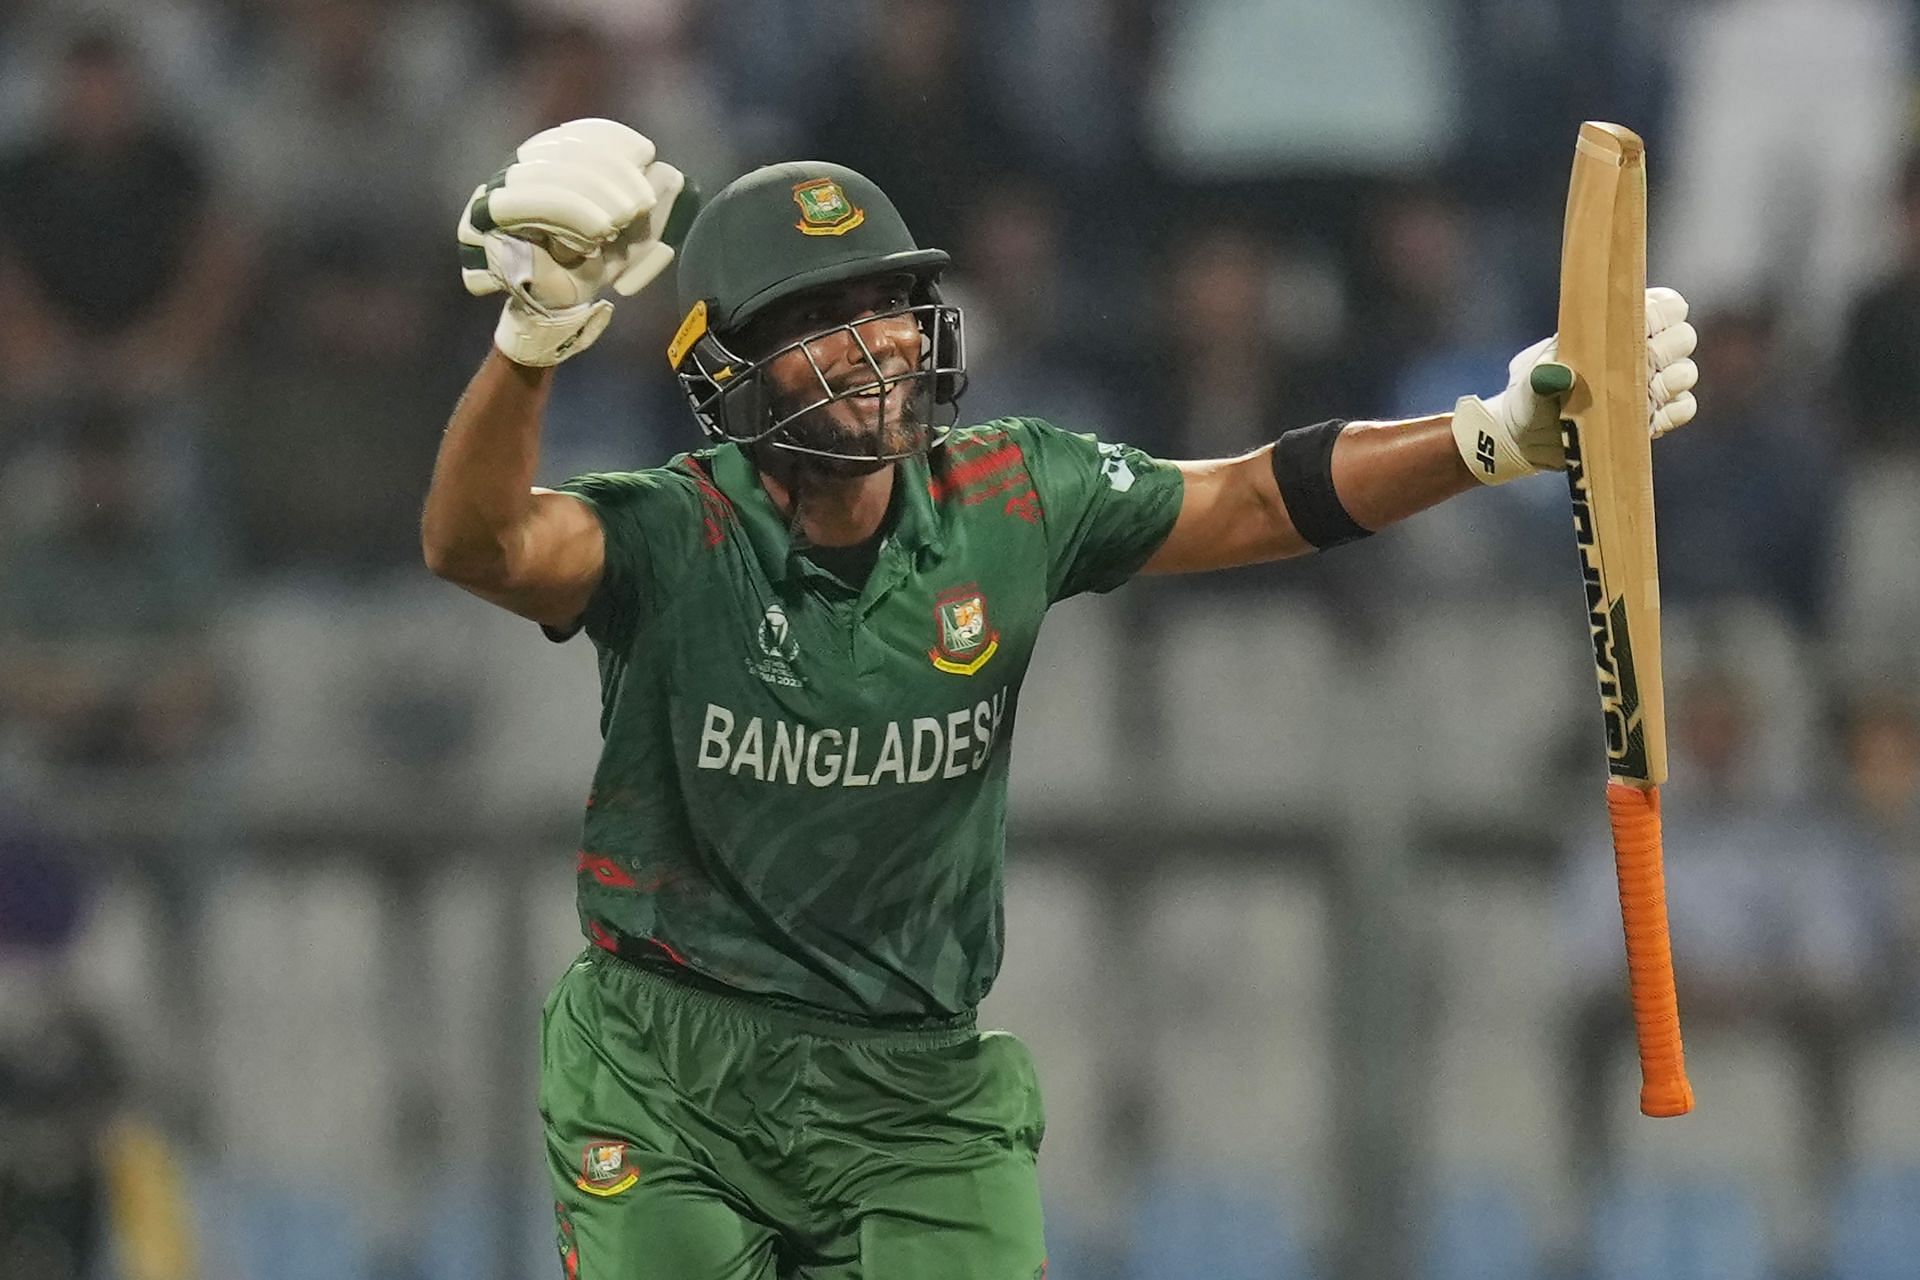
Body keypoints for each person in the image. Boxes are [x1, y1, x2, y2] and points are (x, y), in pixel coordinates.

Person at [420, 120, 1700, 1279]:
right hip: (667, 1065)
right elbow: (478, 547)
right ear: (734, 369)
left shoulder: (1011, 497)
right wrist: (529, 345)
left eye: (890, 305)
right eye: (823, 317)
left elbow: (1256, 495)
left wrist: (1489, 437)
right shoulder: (673, 535)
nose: (875, 346)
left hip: (912, 1081)